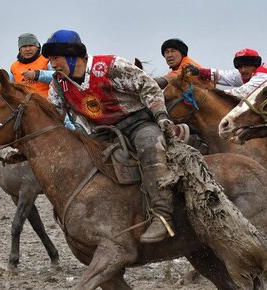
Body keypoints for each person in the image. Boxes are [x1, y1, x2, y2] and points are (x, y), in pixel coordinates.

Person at [42, 29, 178, 243]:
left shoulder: (109, 66)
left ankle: (162, 215)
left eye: (55, 58)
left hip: (137, 124)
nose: (52, 65)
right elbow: (54, 116)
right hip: (100, 135)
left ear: (72, 56)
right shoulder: (58, 85)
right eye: (50, 60)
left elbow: (148, 86)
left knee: (150, 149)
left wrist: (161, 116)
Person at [187, 48, 267, 179]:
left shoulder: (262, 76)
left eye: (246, 66)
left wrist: (210, 98)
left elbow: (242, 92)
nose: (242, 70)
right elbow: (224, 75)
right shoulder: (248, 73)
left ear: (254, 65)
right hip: (264, 106)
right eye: (240, 67)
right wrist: (199, 71)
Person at [9, 33, 54, 99]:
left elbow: (58, 76)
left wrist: (37, 75)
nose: (28, 49)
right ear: (20, 50)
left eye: (31, 45)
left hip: (47, 104)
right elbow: (7, 87)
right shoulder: (14, 67)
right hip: (23, 106)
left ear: (37, 47)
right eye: (24, 46)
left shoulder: (47, 61)